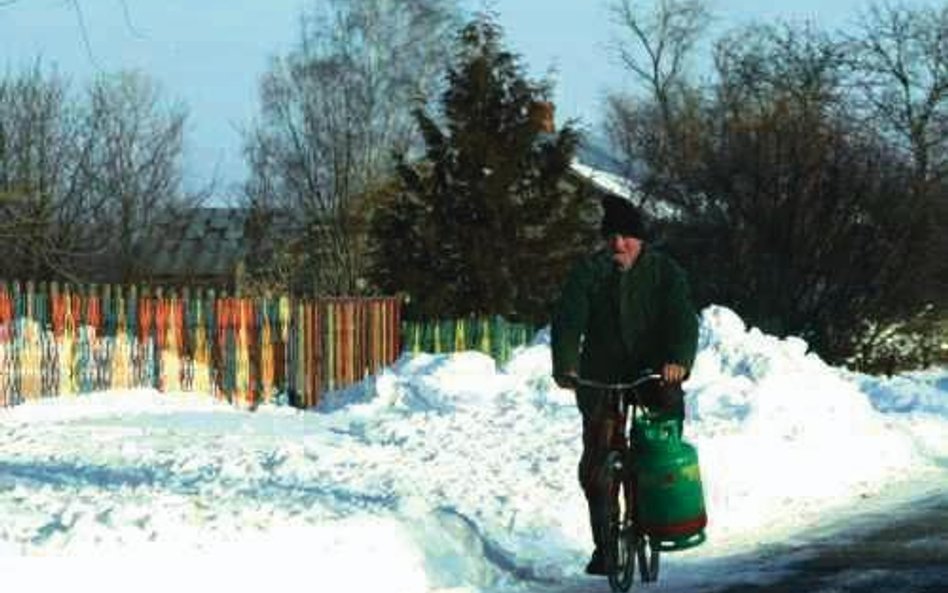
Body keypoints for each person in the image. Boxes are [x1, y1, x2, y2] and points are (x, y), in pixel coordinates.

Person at [551, 194, 699, 576]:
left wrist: (677, 362)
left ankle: (657, 506)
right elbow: (569, 319)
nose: (618, 245)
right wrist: (566, 365)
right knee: (598, 464)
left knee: (660, 437)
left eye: (627, 237)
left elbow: (682, 320)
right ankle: (605, 546)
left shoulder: (665, 272)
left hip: (652, 373)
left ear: (641, 240)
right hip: (601, 374)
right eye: (611, 237)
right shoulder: (590, 271)